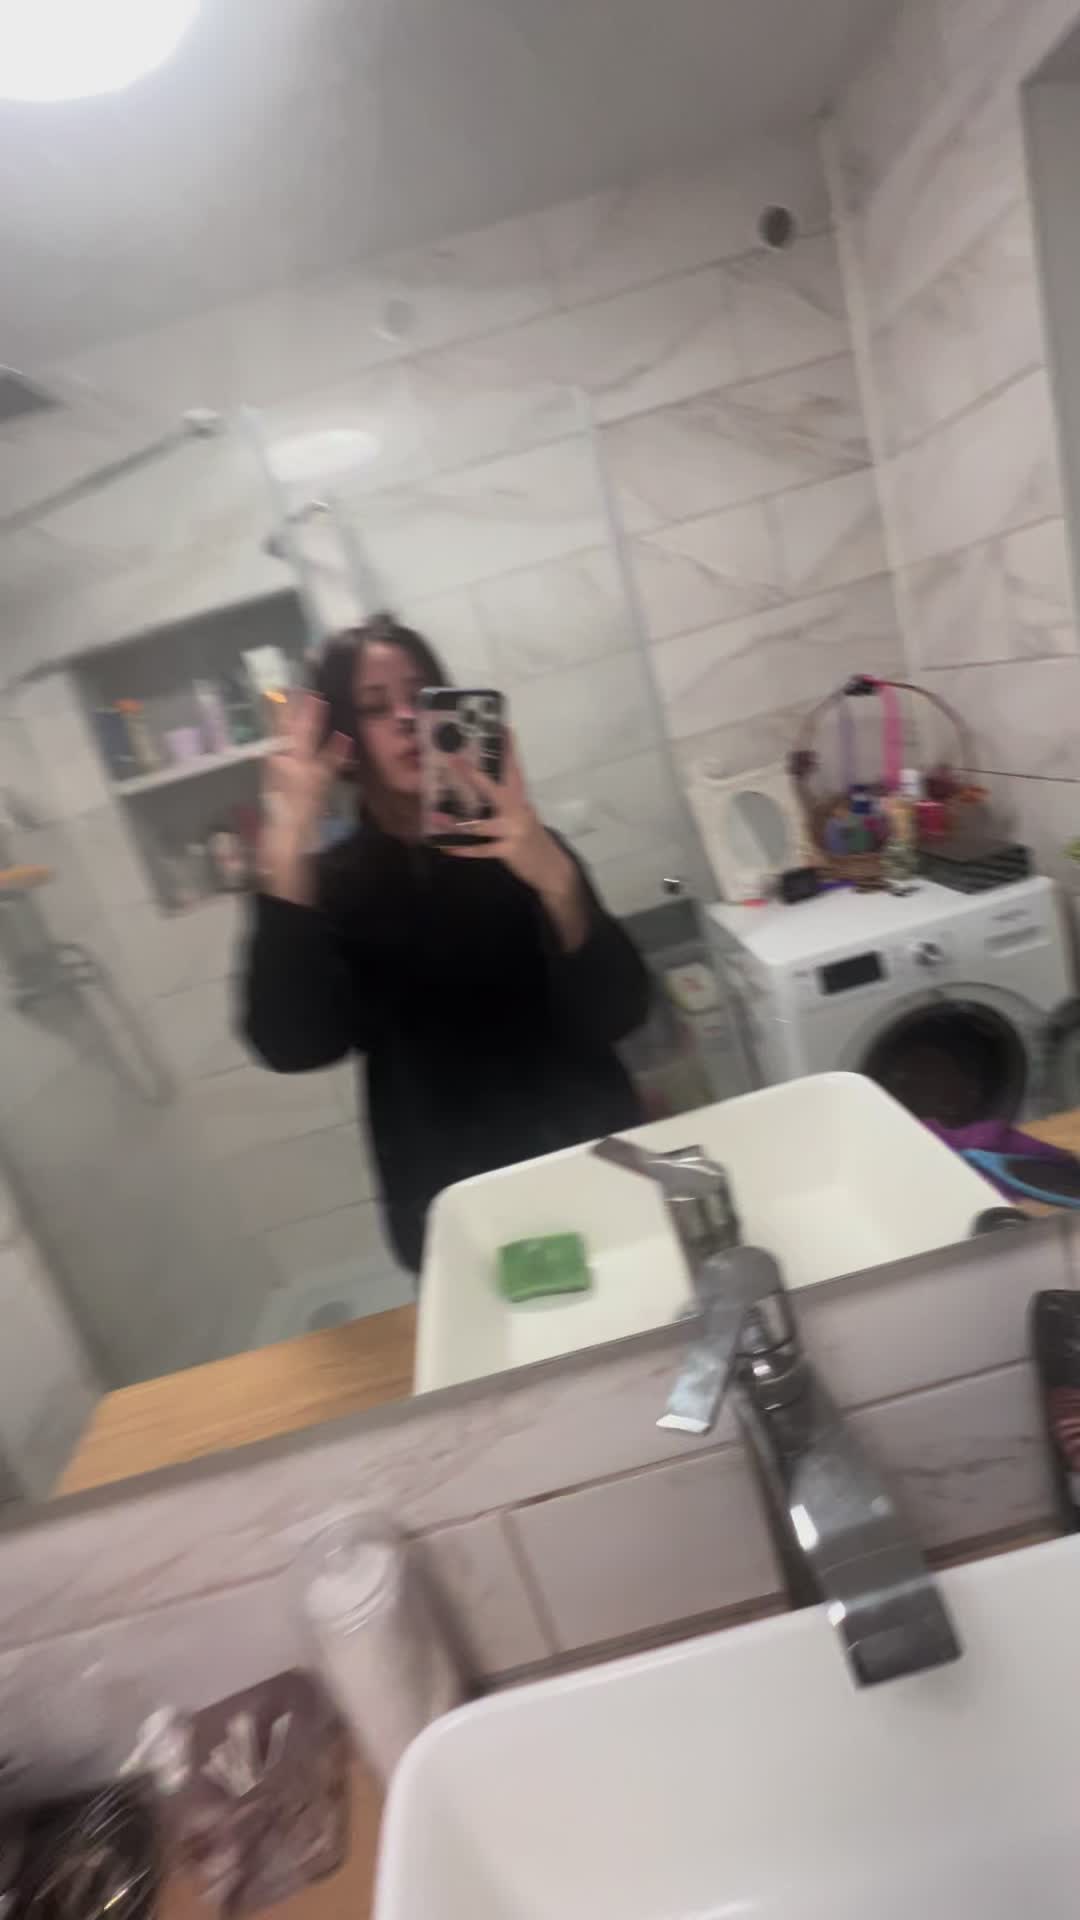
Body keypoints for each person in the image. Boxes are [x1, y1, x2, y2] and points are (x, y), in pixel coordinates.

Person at [240, 613, 652, 1274]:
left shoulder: (524, 848)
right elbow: (292, 1044)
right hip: (457, 1201)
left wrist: (554, 876)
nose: (406, 716)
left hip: (588, 1159)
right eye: (375, 706)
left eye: (420, 694)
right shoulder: (330, 886)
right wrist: (286, 843)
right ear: (346, 739)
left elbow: (624, 1010)